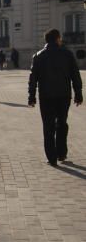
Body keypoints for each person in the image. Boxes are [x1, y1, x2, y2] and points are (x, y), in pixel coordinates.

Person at [28, 28, 83, 166]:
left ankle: (52, 158)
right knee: (62, 124)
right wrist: (78, 93)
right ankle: (61, 153)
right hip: (64, 96)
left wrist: (31, 97)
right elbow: (75, 75)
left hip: (46, 97)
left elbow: (33, 78)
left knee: (48, 127)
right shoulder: (67, 54)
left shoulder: (38, 56)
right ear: (57, 38)